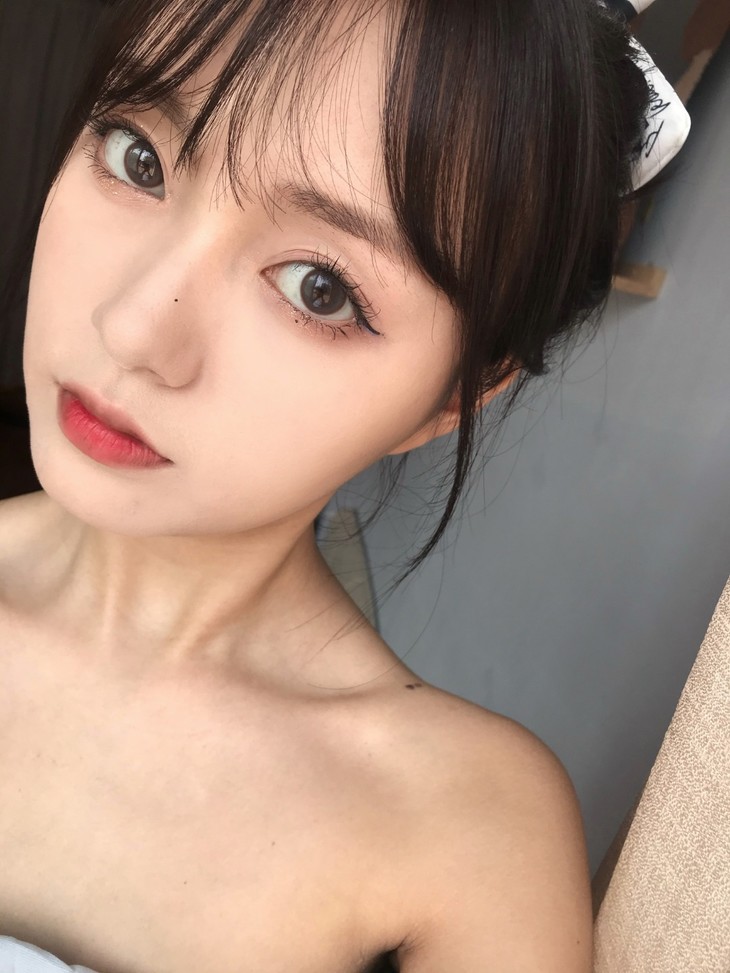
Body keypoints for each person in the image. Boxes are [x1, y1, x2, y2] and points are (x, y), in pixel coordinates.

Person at [0, 0, 655, 970]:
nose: (133, 328)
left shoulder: (465, 835)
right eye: (137, 157)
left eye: (319, 286)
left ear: (454, 395)